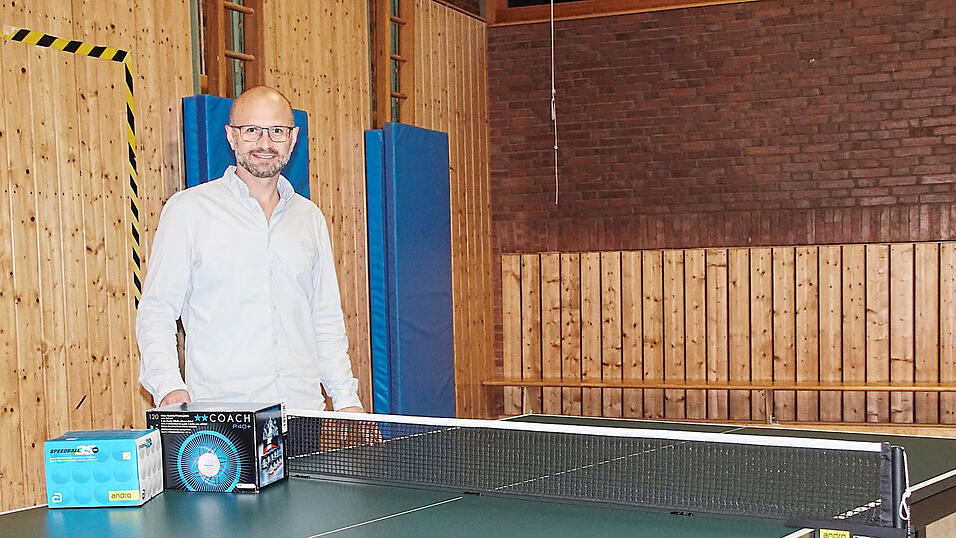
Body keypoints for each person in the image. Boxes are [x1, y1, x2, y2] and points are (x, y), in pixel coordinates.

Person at [136, 86, 364, 413]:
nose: (265, 143)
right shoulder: (188, 210)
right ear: (231, 137)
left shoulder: (309, 218)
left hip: (302, 412)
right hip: (224, 417)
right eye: (252, 130)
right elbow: (157, 310)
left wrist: (345, 399)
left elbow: (324, 318)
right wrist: (168, 385)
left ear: (293, 137)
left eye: (277, 131)